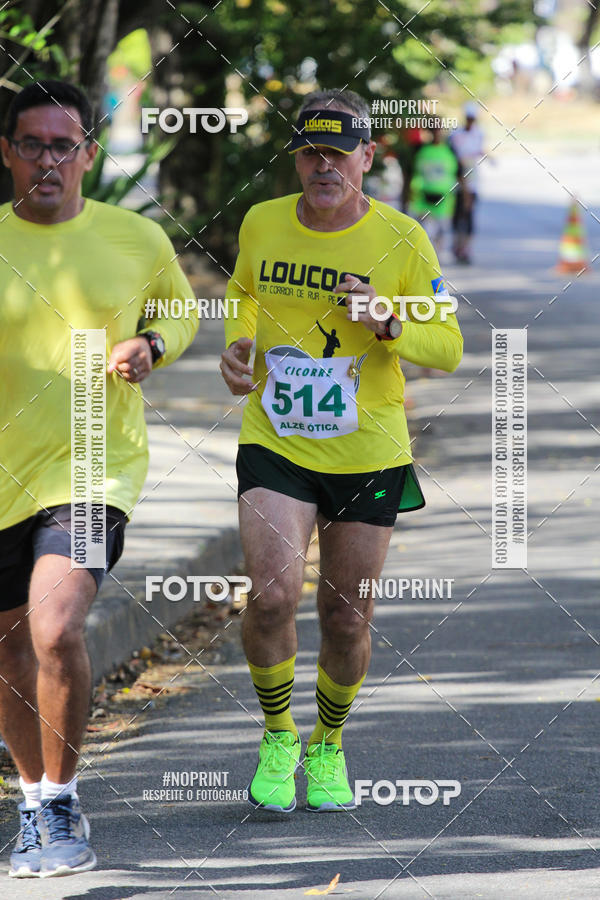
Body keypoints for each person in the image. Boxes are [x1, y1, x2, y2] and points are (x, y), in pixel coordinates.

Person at [220, 88, 463, 814]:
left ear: (367, 155)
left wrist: (390, 323)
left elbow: (447, 346)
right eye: (310, 153)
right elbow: (244, 292)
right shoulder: (264, 221)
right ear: (297, 159)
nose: (323, 165)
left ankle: (326, 741)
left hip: (367, 450)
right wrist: (238, 347)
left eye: (338, 152)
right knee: (268, 595)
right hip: (277, 440)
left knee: (348, 616)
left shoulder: (403, 239)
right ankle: (277, 735)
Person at [0, 80, 197, 877]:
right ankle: (30, 799)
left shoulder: (135, 237)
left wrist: (152, 342)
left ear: (88, 153)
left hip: (91, 462)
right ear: (7, 153)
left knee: (54, 627)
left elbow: (181, 309)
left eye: (65, 145)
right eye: (34, 145)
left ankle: (61, 800)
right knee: (10, 649)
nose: (50, 160)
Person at [410, 125, 462, 259]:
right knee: (420, 232)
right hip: (422, 198)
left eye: (439, 129)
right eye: (434, 129)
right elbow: (410, 173)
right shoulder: (421, 149)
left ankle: (435, 259)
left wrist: (465, 196)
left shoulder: (450, 150)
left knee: (440, 232)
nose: (437, 132)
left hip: (444, 199)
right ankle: (421, 258)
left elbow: (460, 174)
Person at [448, 102, 488, 264]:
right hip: (457, 181)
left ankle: (465, 248)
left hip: (472, 182)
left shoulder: (479, 134)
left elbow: (478, 150)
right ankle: (457, 246)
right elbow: (455, 159)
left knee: (469, 215)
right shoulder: (455, 135)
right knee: (457, 216)